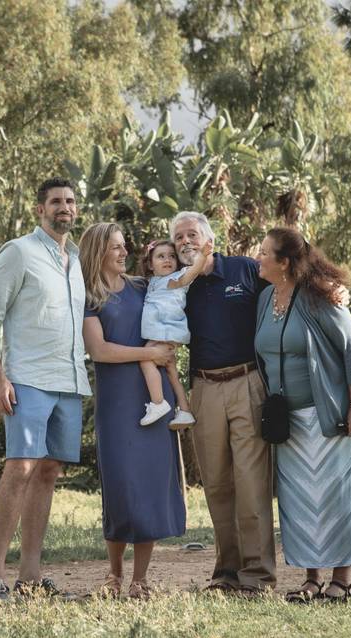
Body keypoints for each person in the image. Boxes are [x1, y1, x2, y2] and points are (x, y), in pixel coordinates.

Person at [0, 177, 92, 601]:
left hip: (69, 380)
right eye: (56, 201)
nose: (65, 207)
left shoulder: (75, 261)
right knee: (20, 468)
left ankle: (30, 575)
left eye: (71, 201)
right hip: (26, 379)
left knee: (47, 472)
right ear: (40, 209)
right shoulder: (18, 252)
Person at [254, 226, 351, 603]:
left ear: (285, 262)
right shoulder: (264, 299)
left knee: (338, 496)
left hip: (328, 415)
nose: (257, 258)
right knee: (300, 500)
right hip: (286, 422)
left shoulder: (319, 298)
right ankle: (311, 579)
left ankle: (342, 580)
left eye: (264, 253)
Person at [170, 210, 277, 594]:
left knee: (251, 483)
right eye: (179, 237)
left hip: (247, 382)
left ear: (209, 239)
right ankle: (226, 573)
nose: (185, 242)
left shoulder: (245, 270)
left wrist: (332, 291)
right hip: (204, 390)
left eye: (192, 234)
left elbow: (288, 287)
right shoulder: (176, 285)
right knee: (216, 485)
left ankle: (258, 576)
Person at [80, 222, 186, 599]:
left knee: (151, 486)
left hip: (153, 402)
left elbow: (185, 285)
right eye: (115, 248)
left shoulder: (144, 286)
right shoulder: (89, 297)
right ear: (97, 252)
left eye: (124, 246)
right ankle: (114, 575)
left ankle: (140, 580)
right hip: (117, 404)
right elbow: (100, 351)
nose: (124, 253)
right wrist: (149, 354)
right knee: (121, 486)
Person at [137, 239, 209, 429]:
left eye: (171, 256)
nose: (167, 260)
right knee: (171, 372)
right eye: (161, 256)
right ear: (150, 265)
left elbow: (193, 271)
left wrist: (203, 254)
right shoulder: (152, 282)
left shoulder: (176, 280)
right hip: (161, 333)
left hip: (167, 331)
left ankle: (158, 403)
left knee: (145, 359)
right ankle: (185, 411)